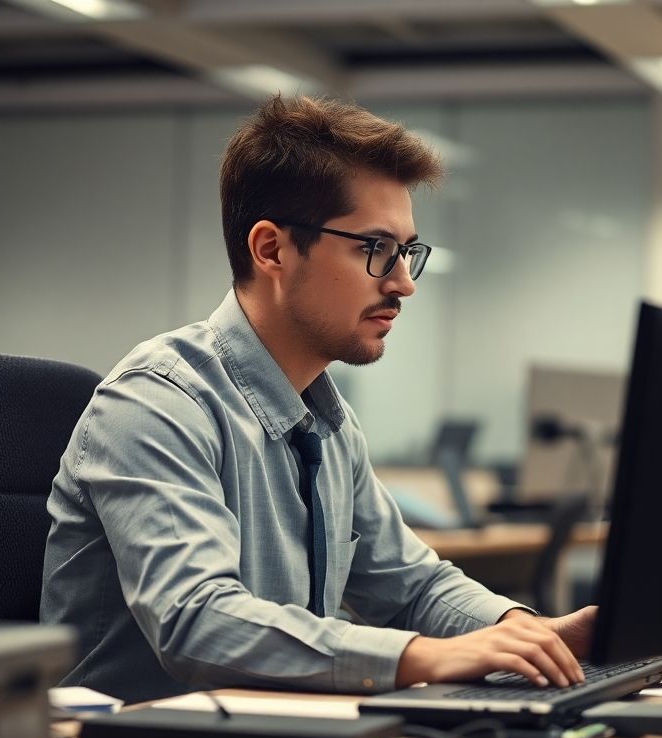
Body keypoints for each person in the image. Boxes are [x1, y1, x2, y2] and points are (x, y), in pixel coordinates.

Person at [40, 95, 596, 703]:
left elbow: (409, 584)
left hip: (276, 737)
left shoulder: (326, 422)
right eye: (375, 249)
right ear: (272, 249)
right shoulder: (156, 403)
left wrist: (520, 631)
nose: (404, 282)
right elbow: (196, 619)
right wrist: (428, 655)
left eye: (407, 252)